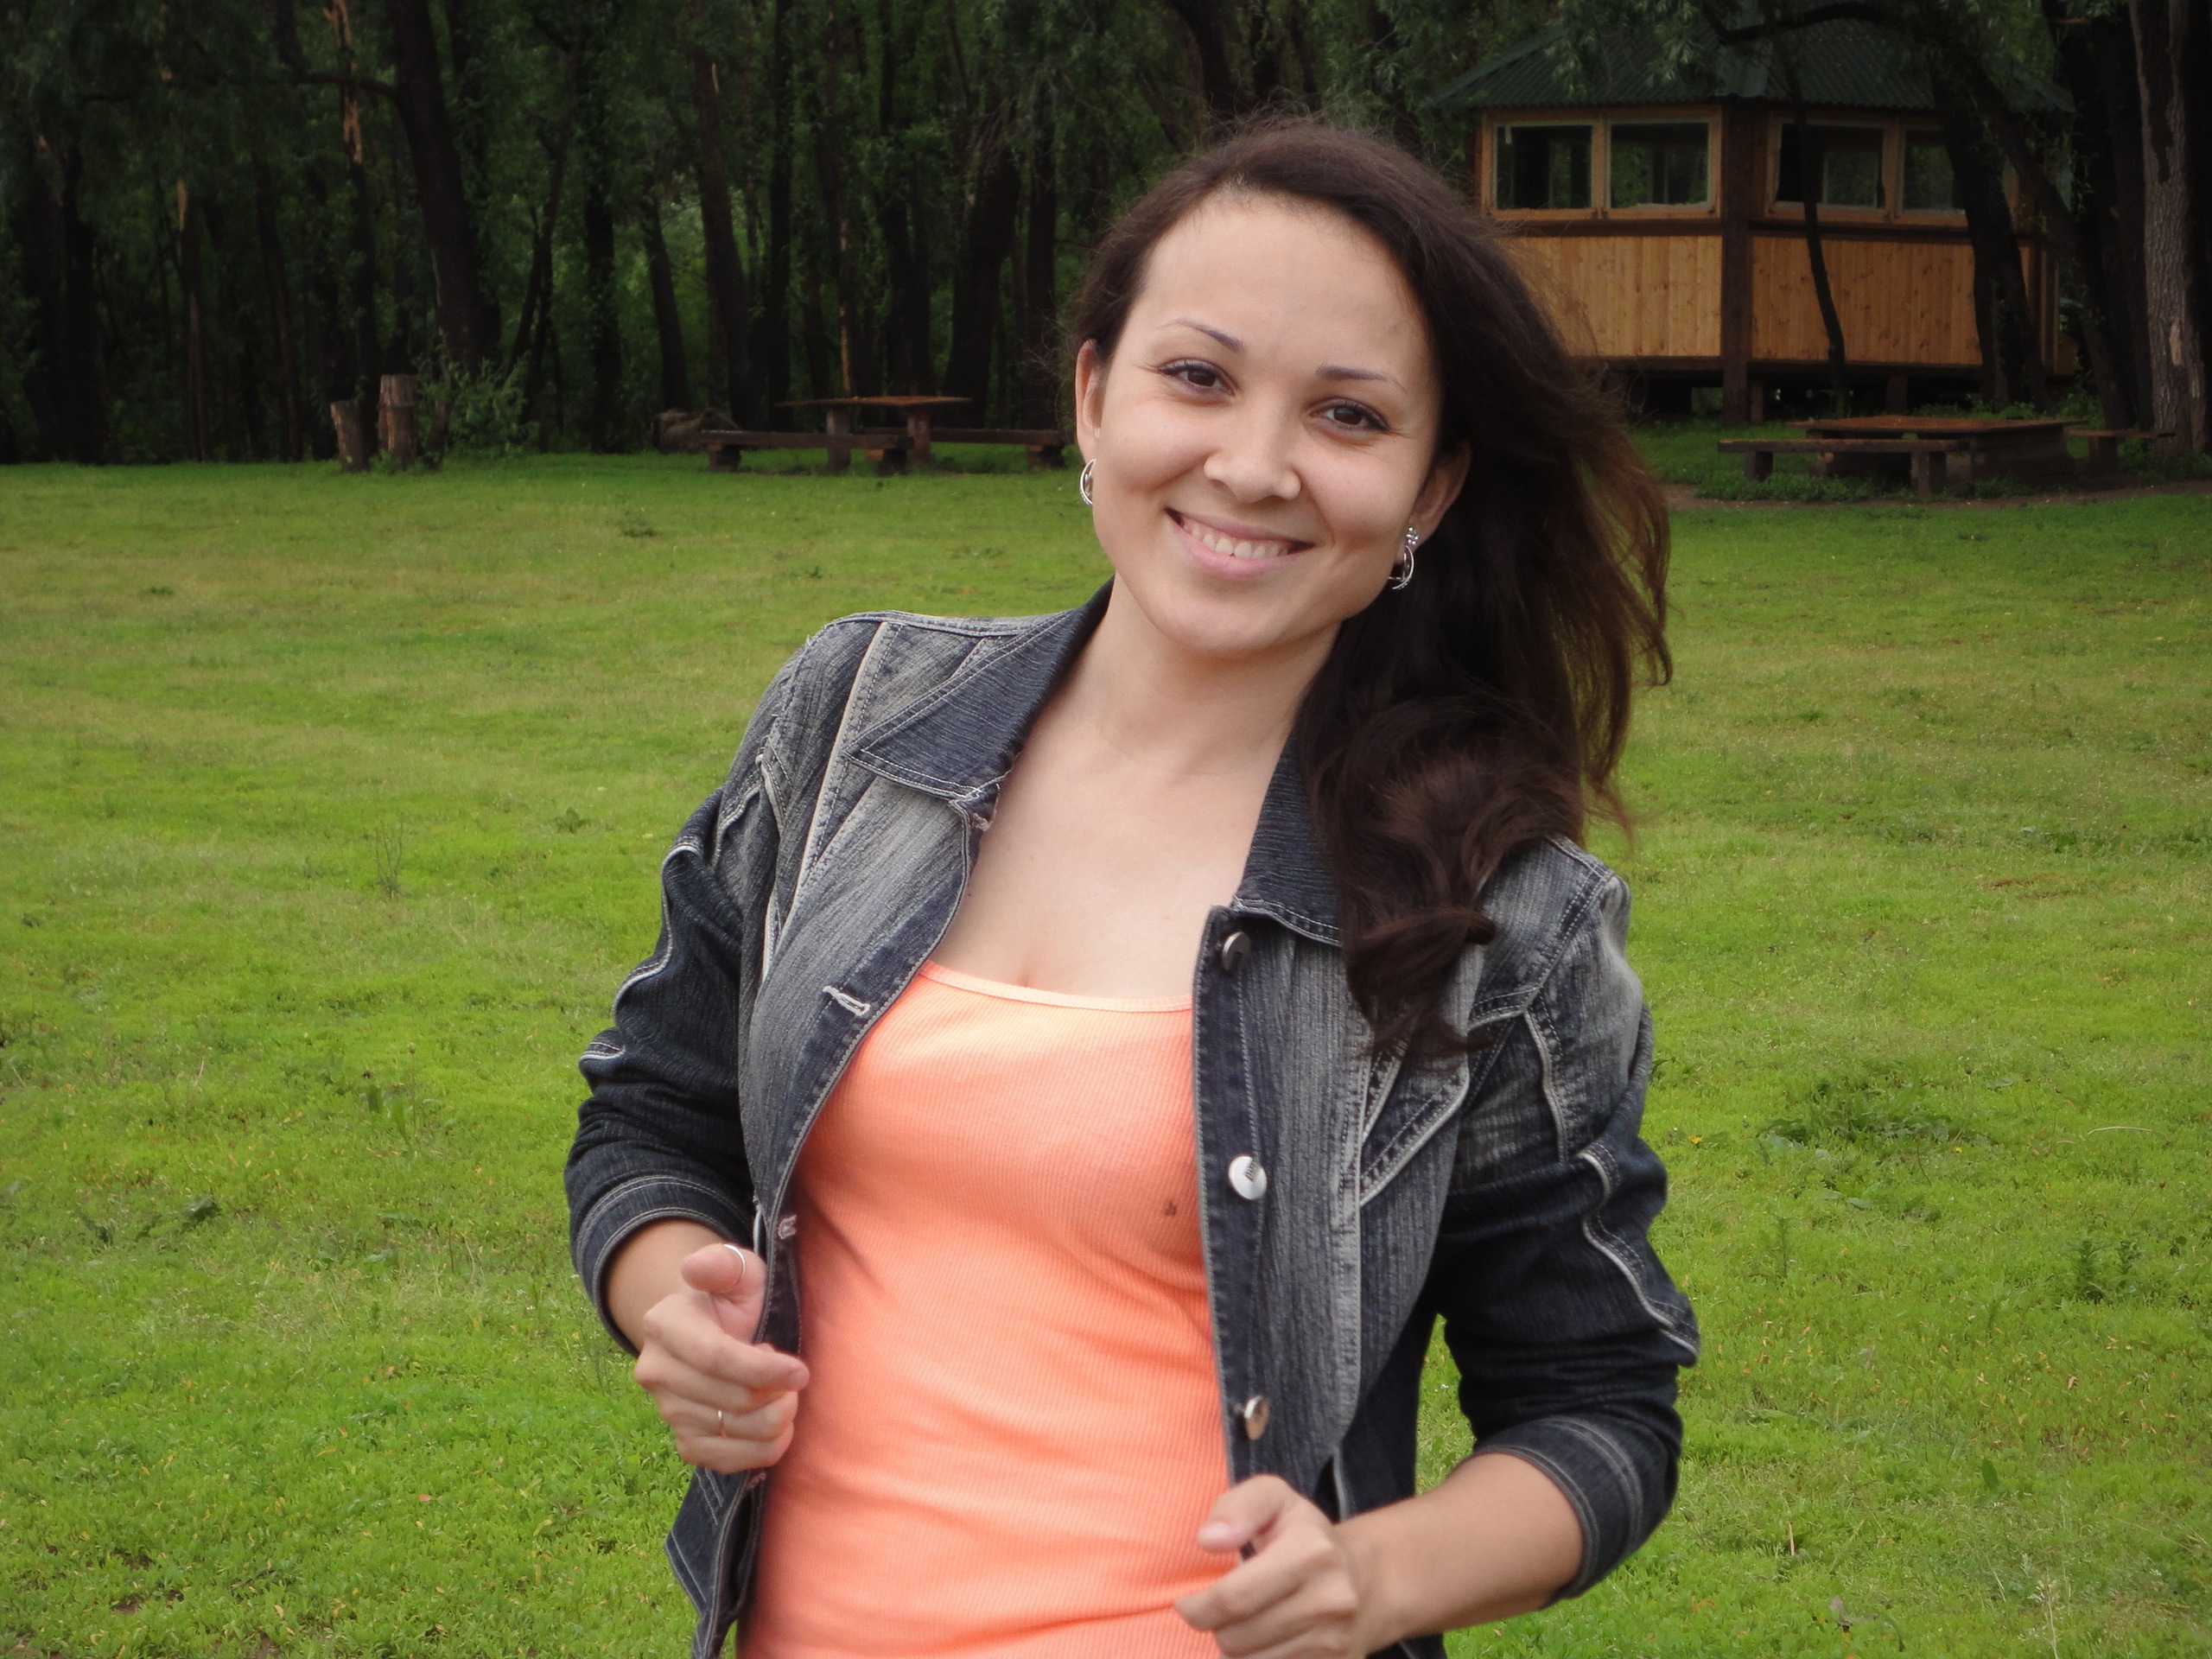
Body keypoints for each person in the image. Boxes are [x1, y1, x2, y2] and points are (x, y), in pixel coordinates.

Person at [566, 119, 1698, 1659]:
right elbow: (655, 1110)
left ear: (1431, 490)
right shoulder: (852, 719)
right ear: (1094, 397)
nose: (1254, 465)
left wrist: (1373, 1575)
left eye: (1348, 414)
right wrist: (672, 1301)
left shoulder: (1496, 917)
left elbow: (1599, 1405)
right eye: (1199, 377)